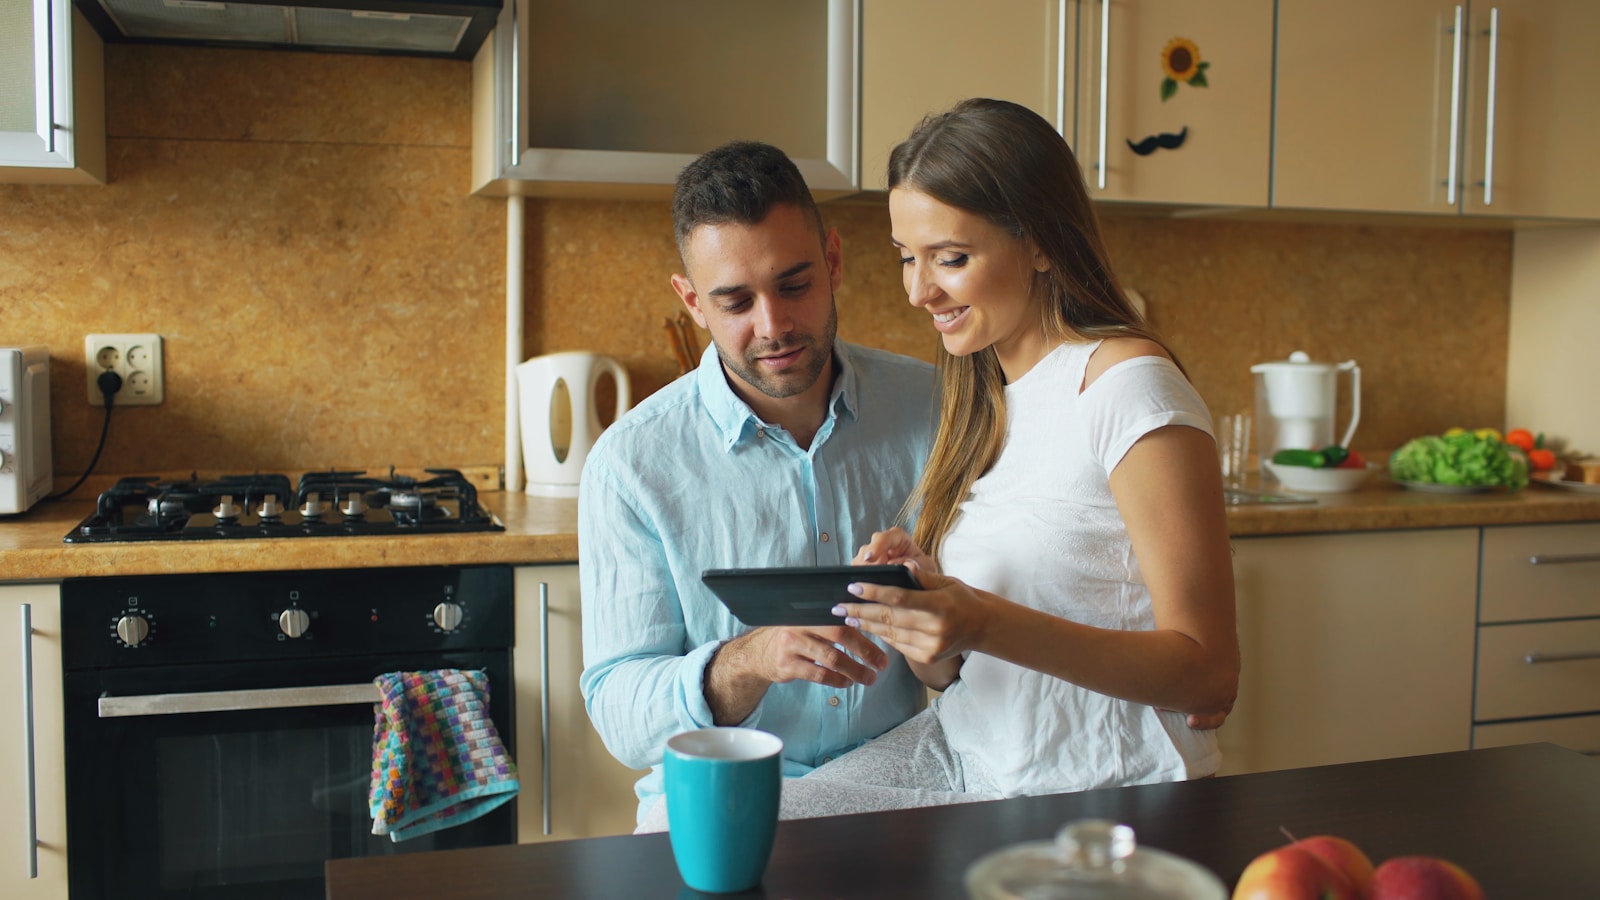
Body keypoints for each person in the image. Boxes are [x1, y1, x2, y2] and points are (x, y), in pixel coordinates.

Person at [806, 97, 1239, 806]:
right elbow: (964, 673)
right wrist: (933, 626)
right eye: (907, 258)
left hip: (1097, 795)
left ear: (1039, 242)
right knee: (742, 843)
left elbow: (1207, 674)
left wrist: (982, 618)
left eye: (951, 257)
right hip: (965, 757)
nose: (919, 290)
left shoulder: (1129, 389)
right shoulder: (984, 394)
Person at [577, 140, 940, 829]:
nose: (772, 326)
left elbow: (982, 647)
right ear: (691, 302)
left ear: (833, 262)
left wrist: (935, 608)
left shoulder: (937, 410)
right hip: (719, 807)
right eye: (735, 301)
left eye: (794, 285)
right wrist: (749, 661)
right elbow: (621, 714)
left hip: (904, 786)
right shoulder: (631, 463)